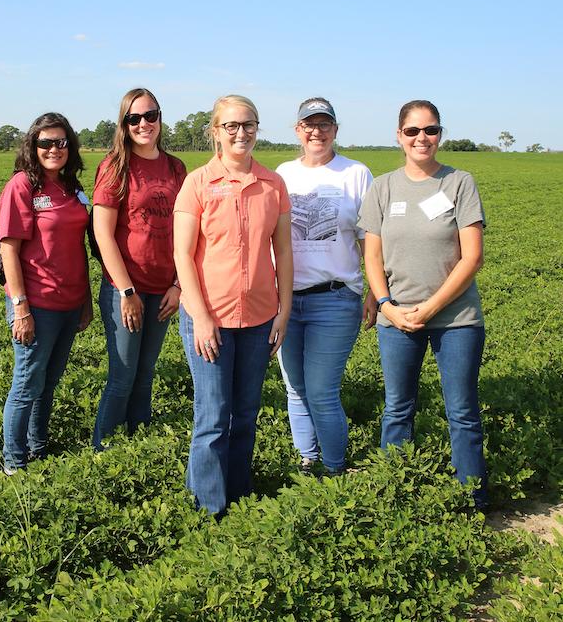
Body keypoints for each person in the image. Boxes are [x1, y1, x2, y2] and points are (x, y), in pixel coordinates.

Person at [359, 100, 488, 506]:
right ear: (399, 135)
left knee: (462, 411)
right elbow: (372, 257)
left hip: (457, 319)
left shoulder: (459, 183)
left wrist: (431, 308)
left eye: (430, 130)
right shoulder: (383, 187)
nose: (422, 138)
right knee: (398, 408)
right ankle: (393, 495)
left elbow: (473, 257)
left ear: (440, 135)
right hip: (396, 317)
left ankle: (473, 500)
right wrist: (385, 305)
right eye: (412, 131)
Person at [173, 94, 293, 516]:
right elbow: (182, 256)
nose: (241, 133)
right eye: (231, 126)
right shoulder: (198, 183)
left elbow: (283, 251)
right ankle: (209, 510)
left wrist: (284, 309)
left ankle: (240, 501)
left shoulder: (272, 184)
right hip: (210, 318)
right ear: (215, 132)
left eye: (249, 124)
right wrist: (201, 318)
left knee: (244, 415)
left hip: (260, 317)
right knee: (212, 417)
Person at [276, 97, 376, 477]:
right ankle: (307, 460)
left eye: (324, 124)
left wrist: (373, 292)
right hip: (287, 300)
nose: (316, 131)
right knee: (295, 388)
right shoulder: (283, 173)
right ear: (298, 129)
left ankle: (334, 469)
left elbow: (370, 239)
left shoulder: (355, 173)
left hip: (335, 299)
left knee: (321, 390)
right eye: (309, 124)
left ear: (335, 129)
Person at [91, 88, 186, 450]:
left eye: (150, 115)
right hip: (125, 288)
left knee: (146, 374)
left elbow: (187, 231)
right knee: (123, 374)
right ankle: (105, 450)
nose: (144, 124)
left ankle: (137, 447)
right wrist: (126, 291)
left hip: (163, 288)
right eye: (134, 118)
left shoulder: (176, 167)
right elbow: (103, 233)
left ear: (160, 118)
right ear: (124, 124)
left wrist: (178, 285)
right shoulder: (115, 166)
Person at [0, 113, 93, 473]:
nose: (54, 149)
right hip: (36, 304)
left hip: (69, 303)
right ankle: (14, 461)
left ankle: (38, 449)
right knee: (26, 384)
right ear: (33, 146)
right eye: (46, 143)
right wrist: (20, 307)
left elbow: (78, 248)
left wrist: (84, 302)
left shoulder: (71, 187)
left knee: (48, 383)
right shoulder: (23, 186)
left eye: (61, 142)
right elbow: (9, 248)